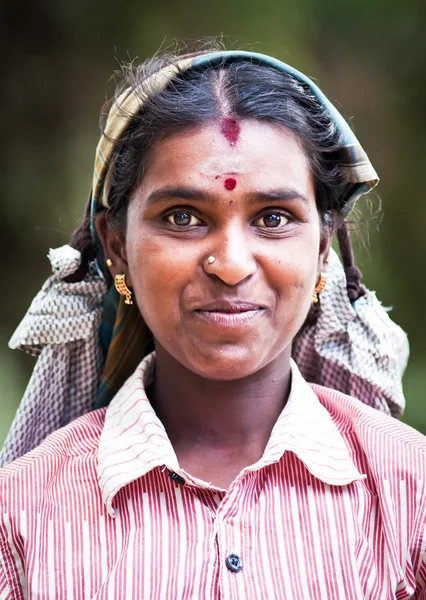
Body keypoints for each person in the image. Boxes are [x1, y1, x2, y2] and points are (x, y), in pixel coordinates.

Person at [0, 46, 424, 599]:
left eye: (273, 218)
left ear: (322, 251)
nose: (230, 265)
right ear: (117, 248)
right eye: (183, 217)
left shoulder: (410, 497)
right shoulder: (23, 516)